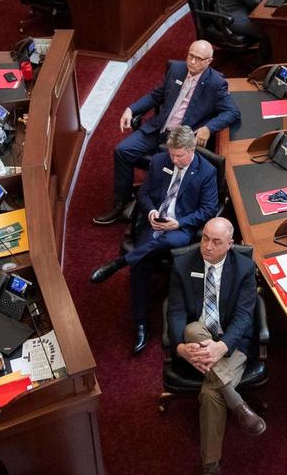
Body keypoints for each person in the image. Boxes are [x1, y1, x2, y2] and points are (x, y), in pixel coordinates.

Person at [89, 126, 219, 355]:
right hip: (155, 222)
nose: (175, 159)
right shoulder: (160, 161)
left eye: (179, 155)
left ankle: (120, 262)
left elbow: (208, 209)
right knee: (142, 262)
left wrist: (178, 223)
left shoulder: (206, 171)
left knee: (164, 244)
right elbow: (144, 194)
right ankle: (141, 324)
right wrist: (150, 212)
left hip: (180, 228)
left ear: (191, 150)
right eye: (172, 154)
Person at [93, 41, 239, 225]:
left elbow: (232, 112)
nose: (192, 62)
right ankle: (121, 204)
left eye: (198, 58)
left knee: (167, 168)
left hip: (179, 141)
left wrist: (208, 128)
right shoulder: (177, 69)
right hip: (158, 129)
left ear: (209, 61)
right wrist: (131, 109)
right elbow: (156, 95)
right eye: (190, 55)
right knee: (122, 150)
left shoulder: (216, 84)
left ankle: (159, 209)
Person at [167, 217, 265, 475]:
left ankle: (210, 467)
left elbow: (245, 316)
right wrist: (179, 348)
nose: (207, 246)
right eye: (204, 238)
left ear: (230, 244)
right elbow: (175, 311)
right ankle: (238, 404)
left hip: (233, 343)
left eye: (216, 241)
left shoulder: (244, 268)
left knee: (210, 394)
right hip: (196, 340)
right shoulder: (182, 264)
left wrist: (221, 347)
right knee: (191, 328)